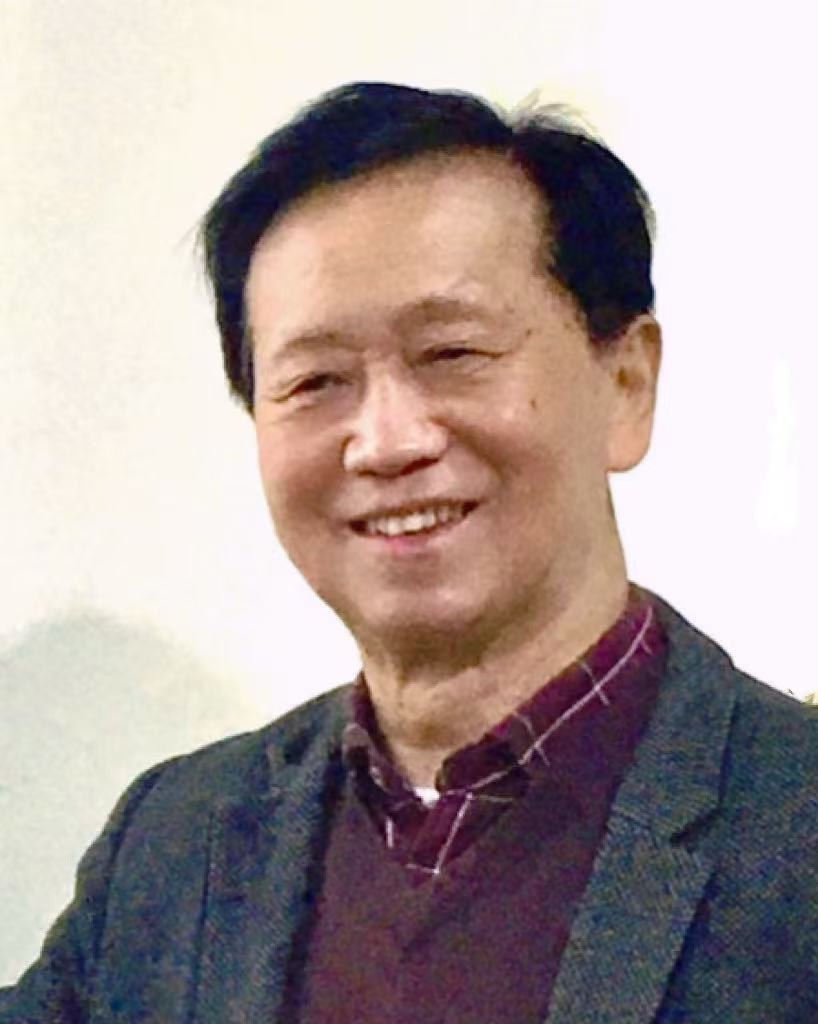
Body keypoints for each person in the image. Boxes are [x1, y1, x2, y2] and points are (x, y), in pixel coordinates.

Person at [2, 81, 816, 1024]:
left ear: (626, 384)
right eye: (316, 381)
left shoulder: (790, 822)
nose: (386, 442)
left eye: (452, 353)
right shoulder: (176, 846)